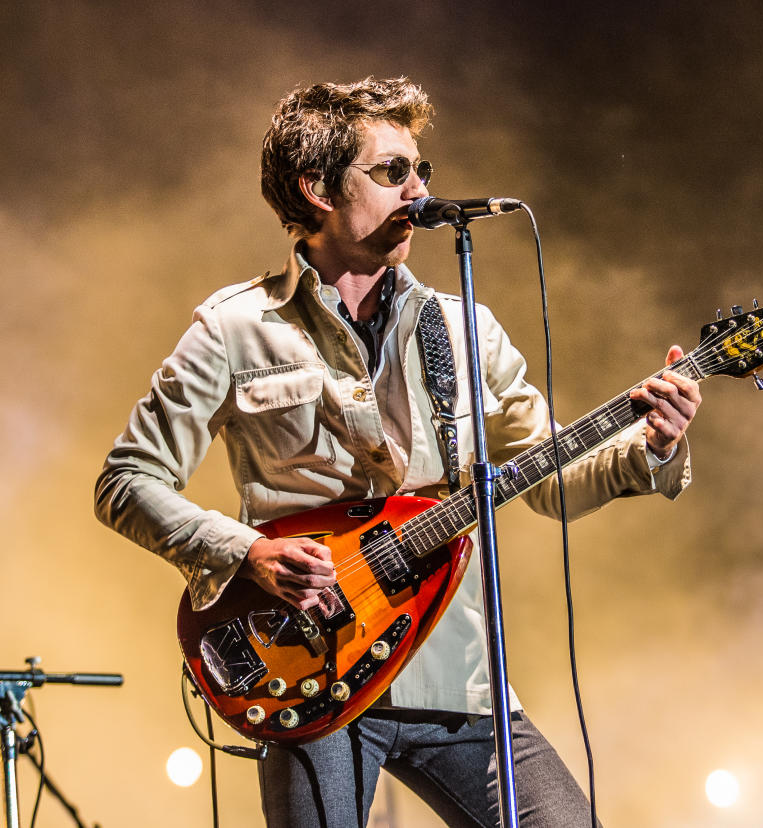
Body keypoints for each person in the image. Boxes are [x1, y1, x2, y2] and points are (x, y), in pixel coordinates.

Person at [94, 77, 700, 827]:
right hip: (312, 666)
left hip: (457, 675)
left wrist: (653, 445)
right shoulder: (234, 329)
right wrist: (247, 553)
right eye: (392, 172)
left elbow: (550, 478)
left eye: (422, 171)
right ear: (315, 187)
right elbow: (126, 480)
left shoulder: (463, 328)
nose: (417, 189)